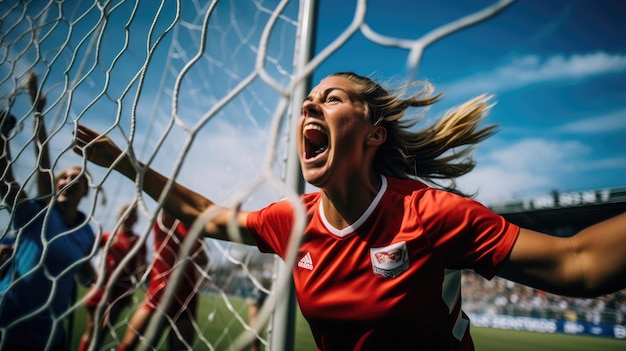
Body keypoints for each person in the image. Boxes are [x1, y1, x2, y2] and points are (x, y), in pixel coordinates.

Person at [74, 71, 626, 350]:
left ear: (373, 134)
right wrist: (126, 165)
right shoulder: (292, 221)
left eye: (333, 98)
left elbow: (578, 263)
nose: (311, 102)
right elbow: (203, 212)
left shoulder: (429, 212)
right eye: (310, 99)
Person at [0, 73, 95, 350]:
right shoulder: (39, 214)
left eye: (77, 178)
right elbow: (11, 179)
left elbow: (82, 269)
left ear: (87, 191)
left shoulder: (86, 231)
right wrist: (36, 113)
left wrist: (88, 273)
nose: (68, 180)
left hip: (49, 335)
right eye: (63, 176)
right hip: (7, 323)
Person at [116, 210, 208, 351]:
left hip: (186, 298)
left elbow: (203, 259)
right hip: (159, 295)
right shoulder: (167, 223)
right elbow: (168, 203)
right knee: (129, 345)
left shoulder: (195, 230)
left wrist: (198, 254)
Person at [79, 203, 146, 351]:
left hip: (120, 291)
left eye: (132, 214)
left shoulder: (138, 241)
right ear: (119, 215)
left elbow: (140, 266)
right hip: (101, 287)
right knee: (92, 331)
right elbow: (86, 252)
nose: (128, 216)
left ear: (136, 219)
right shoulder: (108, 236)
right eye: (125, 212)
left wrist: (143, 277)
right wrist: (92, 274)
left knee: (103, 330)